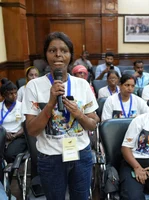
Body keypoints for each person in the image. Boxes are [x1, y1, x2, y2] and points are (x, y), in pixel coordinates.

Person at [22, 32, 100, 200]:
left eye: (64, 50)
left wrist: (79, 114)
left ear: (70, 55)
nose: (58, 55)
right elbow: (32, 130)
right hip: (50, 158)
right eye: (52, 50)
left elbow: (93, 124)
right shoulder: (33, 87)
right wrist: (50, 103)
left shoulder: (82, 84)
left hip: (80, 154)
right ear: (46, 55)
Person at [0, 78, 26, 163]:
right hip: (2, 135)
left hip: (18, 136)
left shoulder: (21, 106)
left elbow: (25, 126)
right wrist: (4, 133)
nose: (14, 96)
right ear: (4, 95)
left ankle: (9, 174)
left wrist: (15, 135)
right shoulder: (0, 106)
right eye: (11, 94)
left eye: (15, 93)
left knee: (9, 155)